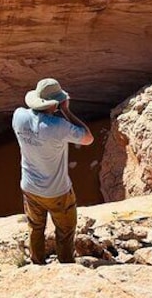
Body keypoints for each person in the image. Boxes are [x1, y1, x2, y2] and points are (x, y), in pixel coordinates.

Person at [12, 78, 94, 264]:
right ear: (56, 103)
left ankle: (37, 262)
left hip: (30, 187)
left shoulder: (18, 116)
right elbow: (88, 137)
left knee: (35, 226)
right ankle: (65, 265)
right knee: (65, 231)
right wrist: (66, 111)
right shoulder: (59, 127)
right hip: (57, 192)